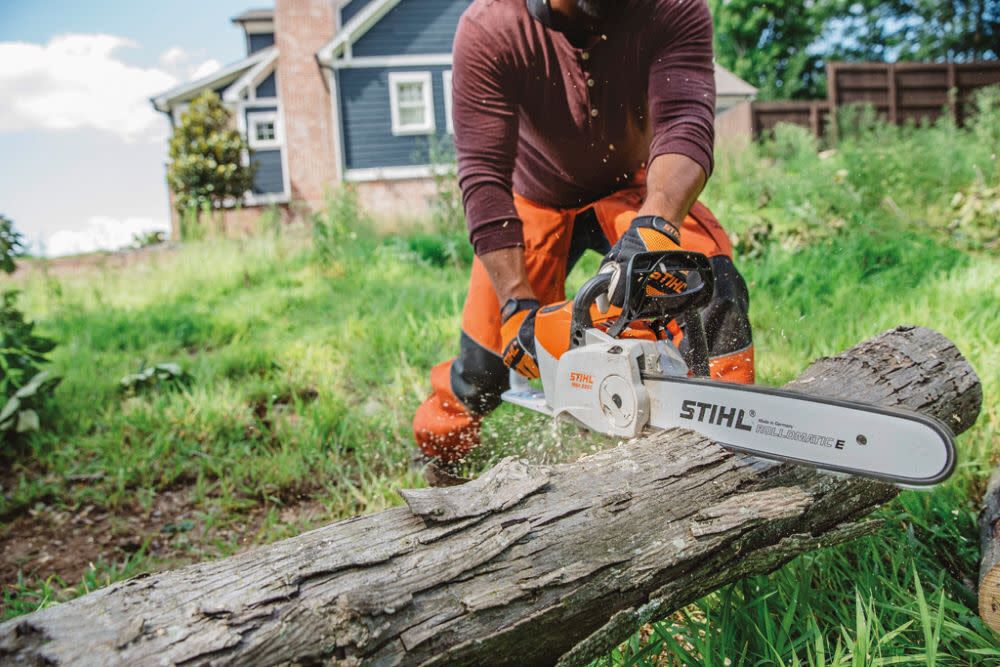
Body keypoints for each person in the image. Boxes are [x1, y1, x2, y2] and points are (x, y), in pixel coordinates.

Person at [413, 0, 755, 469]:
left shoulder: (675, 8)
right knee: (484, 364)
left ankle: (731, 437)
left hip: (640, 190)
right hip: (533, 200)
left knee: (705, 282)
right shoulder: (492, 24)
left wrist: (656, 227)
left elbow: (684, 123)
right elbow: (484, 176)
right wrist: (516, 302)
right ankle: (441, 449)